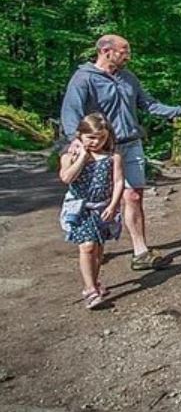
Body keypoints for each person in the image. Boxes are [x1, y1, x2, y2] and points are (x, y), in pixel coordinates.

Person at [60, 34, 181, 270]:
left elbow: (148, 104)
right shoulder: (83, 79)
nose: (128, 55)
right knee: (100, 199)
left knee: (133, 196)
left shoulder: (128, 78)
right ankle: (93, 246)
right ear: (106, 51)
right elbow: (71, 112)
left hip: (131, 144)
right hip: (101, 149)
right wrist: (74, 142)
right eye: (123, 50)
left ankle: (141, 253)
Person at [58, 113, 124, 310]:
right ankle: (89, 289)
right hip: (80, 208)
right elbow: (66, 178)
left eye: (102, 138)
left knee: (98, 249)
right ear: (80, 135)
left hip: (103, 208)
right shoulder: (70, 155)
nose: (96, 142)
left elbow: (118, 181)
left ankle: (95, 283)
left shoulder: (113, 157)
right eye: (91, 138)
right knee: (86, 247)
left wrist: (113, 205)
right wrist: (82, 159)